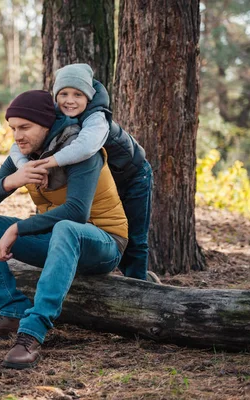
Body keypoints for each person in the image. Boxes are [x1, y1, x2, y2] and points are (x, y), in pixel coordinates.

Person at [0, 90, 128, 369]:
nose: (17, 136)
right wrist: (11, 181)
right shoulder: (24, 156)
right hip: (57, 241)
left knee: (66, 228)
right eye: (13, 128)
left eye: (25, 127)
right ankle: (12, 310)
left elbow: (76, 212)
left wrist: (18, 228)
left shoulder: (82, 150)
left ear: (47, 124)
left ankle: (32, 333)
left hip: (104, 244)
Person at [8, 64, 154, 282]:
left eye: (78, 94)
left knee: (134, 237)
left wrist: (47, 164)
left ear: (88, 96)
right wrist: (24, 167)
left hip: (132, 176)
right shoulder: (53, 116)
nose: (70, 100)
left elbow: (85, 147)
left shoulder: (97, 117)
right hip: (102, 181)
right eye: (63, 94)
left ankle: (139, 286)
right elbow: (14, 148)